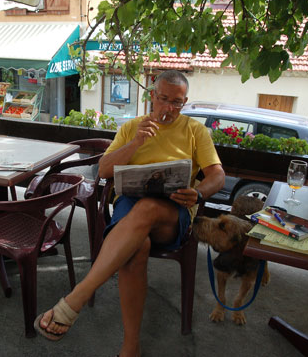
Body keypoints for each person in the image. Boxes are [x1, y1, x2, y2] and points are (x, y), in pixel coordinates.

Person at [35, 70, 225, 356]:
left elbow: (217, 176)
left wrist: (199, 193)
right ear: (152, 96)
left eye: (177, 102)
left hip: (172, 213)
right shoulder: (132, 128)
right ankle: (131, 346)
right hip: (129, 206)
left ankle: (76, 299)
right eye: (164, 99)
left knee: (148, 207)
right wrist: (137, 142)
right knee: (138, 249)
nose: (170, 108)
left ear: (184, 102)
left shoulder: (195, 131)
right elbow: (103, 170)